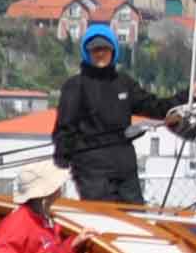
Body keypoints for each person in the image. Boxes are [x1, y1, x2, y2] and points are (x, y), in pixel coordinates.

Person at [55, 25, 180, 205]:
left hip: (125, 167)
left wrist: (191, 96)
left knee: (135, 217)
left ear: (113, 51)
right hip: (92, 171)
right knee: (103, 218)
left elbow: (155, 107)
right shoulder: (74, 86)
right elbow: (64, 128)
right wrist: (62, 157)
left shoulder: (124, 83)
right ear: (87, 52)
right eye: (95, 49)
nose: (100, 53)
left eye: (105, 49)